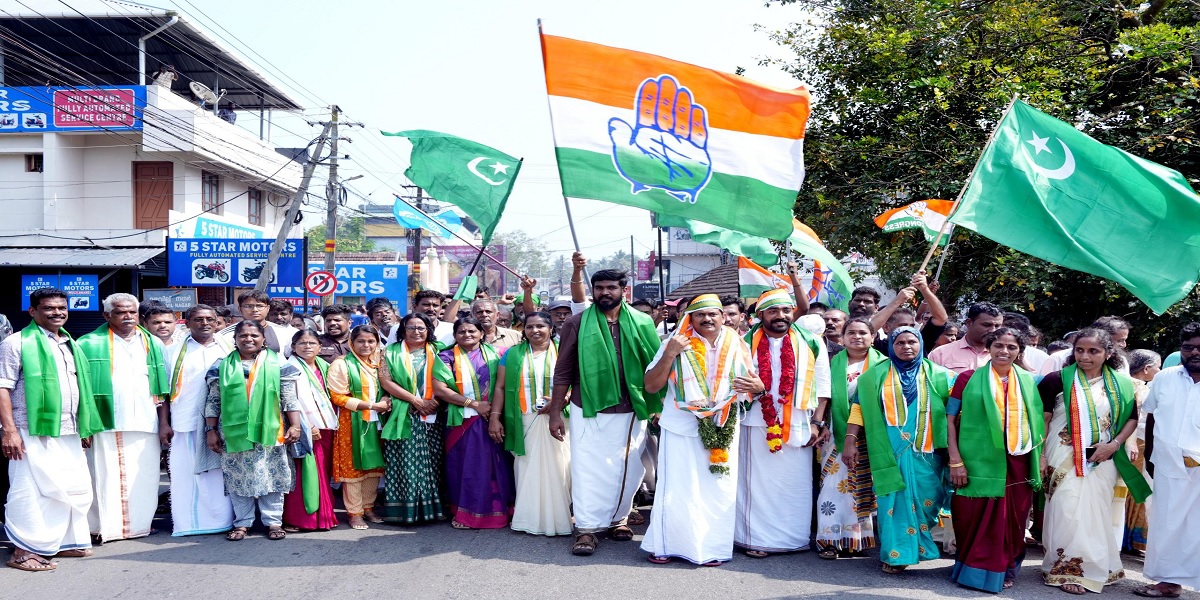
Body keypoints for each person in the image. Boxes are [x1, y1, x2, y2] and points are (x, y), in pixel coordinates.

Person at [547, 269, 664, 556]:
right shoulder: (577, 322)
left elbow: (656, 363)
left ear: (624, 290)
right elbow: (563, 369)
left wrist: (658, 405)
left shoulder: (642, 321)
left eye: (611, 287)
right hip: (587, 406)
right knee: (588, 469)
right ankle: (587, 529)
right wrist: (554, 411)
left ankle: (618, 519)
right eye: (599, 288)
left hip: (632, 406)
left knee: (629, 467)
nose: (604, 293)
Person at [641, 294, 756, 566]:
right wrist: (670, 352)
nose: (707, 319)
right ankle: (667, 545)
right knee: (678, 488)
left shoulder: (736, 342)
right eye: (699, 314)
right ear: (689, 318)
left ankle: (711, 548)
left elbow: (754, 382)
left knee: (718, 489)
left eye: (712, 314)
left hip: (724, 422)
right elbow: (651, 386)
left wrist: (758, 388)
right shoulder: (675, 342)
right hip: (682, 425)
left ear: (722, 316)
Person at [1, 288, 106, 572]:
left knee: (72, 487)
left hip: (69, 429)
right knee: (30, 489)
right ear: (32, 312)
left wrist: (84, 427)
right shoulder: (17, 342)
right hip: (30, 429)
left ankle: (61, 542)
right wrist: (8, 431)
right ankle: (23, 551)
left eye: (61, 307)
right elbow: (3, 386)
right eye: (48, 308)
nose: (57, 312)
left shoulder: (70, 343)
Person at [1037, 327, 1148, 594]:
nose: (1084, 356)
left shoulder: (1122, 385)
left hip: (1103, 457)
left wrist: (1114, 444)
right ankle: (1064, 567)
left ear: (1108, 353)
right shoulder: (1056, 379)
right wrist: (1040, 455)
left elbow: (1131, 418)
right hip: (1061, 454)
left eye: (1093, 351)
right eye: (1079, 350)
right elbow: (1044, 419)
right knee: (1065, 507)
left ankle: (1093, 566)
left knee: (1095, 511)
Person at [843, 327, 955, 574]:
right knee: (891, 499)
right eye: (900, 342)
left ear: (921, 344)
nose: (906, 347)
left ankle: (919, 547)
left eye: (912, 342)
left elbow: (954, 414)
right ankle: (896, 554)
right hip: (888, 449)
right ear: (891, 346)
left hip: (929, 454)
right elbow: (859, 409)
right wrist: (850, 441)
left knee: (928, 501)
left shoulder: (941, 376)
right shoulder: (873, 376)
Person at [946, 327, 1045, 592]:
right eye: (998, 345)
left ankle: (1004, 569)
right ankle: (971, 568)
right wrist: (955, 460)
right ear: (988, 348)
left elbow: (1036, 424)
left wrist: (1041, 459)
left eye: (1011, 347)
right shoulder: (967, 379)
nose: (1004, 351)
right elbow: (950, 420)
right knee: (971, 516)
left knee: (1011, 518)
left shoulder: (1029, 381)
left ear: (1019, 351)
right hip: (975, 460)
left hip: (1018, 462)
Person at [736, 288, 831, 558]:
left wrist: (817, 421)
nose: (781, 316)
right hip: (755, 421)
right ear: (761, 314)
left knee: (793, 482)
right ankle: (755, 539)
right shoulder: (744, 341)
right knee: (755, 483)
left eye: (786, 310)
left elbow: (823, 386)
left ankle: (793, 538)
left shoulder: (811, 342)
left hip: (799, 421)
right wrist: (753, 389)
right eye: (773, 311)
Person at [78, 293, 171, 543]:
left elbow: (162, 390)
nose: (128, 317)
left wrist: (164, 423)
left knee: (145, 476)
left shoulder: (153, 343)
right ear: (106, 315)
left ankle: (139, 526)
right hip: (104, 422)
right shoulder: (87, 343)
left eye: (132, 312)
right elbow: (80, 389)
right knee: (101, 475)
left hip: (145, 421)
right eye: (120, 312)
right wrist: (83, 426)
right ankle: (100, 527)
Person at [203, 320, 304, 541]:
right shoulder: (222, 365)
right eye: (243, 335)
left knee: (273, 474)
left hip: (271, 429)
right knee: (237, 475)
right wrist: (210, 430)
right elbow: (213, 401)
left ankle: (273, 521)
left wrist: (295, 425)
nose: (248, 339)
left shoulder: (278, 363)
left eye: (254, 335)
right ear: (235, 339)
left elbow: (289, 397)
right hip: (232, 431)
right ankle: (242, 522)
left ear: (263, 339)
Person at [489, 311, 572, 537]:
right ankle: (528, 519)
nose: (535, 331)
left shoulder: (564, 350)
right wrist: (495, 417)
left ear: (551, 329)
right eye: (529, 327)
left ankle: (561, 518)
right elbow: (500, 387)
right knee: (527, 468)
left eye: (540, 326)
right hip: (524, 418)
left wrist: (560, 400)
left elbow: (576, 381)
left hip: (559, 418)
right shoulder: (512, 354)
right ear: (523, 330)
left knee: (560, 466)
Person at [1135, 323, 1200, 598]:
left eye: (1199, 347)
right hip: (1169, 462)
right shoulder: (1165, 377)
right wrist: (1151, 454)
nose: (1194, 352)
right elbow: (1151, 416)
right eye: (1188, 347)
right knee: (1167, 521)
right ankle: (1167, 582)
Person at [163, 304, 235, 538]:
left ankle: (224, 519)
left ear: (217, 322)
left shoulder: (229, 347)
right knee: (186, 471)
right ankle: (189, 522)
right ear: (186, 322)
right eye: (198, 319)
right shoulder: (173, 350)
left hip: (224, 420)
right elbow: (162, 391)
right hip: (186, 420)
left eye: (210, 319)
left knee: (220, 472)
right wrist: (164, 423)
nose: (205, 323)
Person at [815, 316, 883, 559]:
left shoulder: (884, 365)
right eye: (851, 332)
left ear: (873, 337)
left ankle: (857, 541)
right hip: (835, 434)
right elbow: (822, 396)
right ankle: (829, 540)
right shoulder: (831, 364)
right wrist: (821, 423)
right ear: (842, 338)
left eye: (863, 333)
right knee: (833, 489)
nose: (857, 336)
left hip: (872, 437)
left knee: (862, 489)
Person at [437, 317, 514, 529]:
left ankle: (501, 510)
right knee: (466, 467)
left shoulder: (499, 354)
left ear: (482, 333)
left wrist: (494, 411)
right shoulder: (446, 357)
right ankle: (467, 512)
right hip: (462, 420)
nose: (467, 335)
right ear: (455, 336)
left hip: (495, 417)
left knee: (497, 465)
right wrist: (474, 404)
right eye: (461, 332)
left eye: (472, 331)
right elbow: (440, 388)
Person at [378, 312, 452, 525]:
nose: (416, 332)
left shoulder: (440, 352)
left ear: (429, 330)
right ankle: (404, 511)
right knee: (403, 462)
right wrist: (415, 401)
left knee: (433, 461)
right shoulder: (389, 352)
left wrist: (435, 402)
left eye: (421, 328)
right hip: (404, 413)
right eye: (411, 327)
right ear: (402, 331)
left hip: (434, 415)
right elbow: (386, 380)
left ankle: (432, 510)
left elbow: (449, 380)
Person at [326, 325, 389, 530]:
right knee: (353, 468)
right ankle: (354, 512)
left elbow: (389, 385)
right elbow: (337, 396)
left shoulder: (379, 363)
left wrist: (385, 400)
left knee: (373, 466)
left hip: (377, 421)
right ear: (352, 343)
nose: (366, 345)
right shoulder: (342, 364)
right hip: (350, 422)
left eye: (371, 341)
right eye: (361, 341)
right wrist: (371, 406)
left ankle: (369, 507)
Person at [281, 329, 339, 532]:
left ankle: (324, 516)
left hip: (327, 426)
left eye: (312, 343)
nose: (307, 347)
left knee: (322, 472)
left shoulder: (325, 367)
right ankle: (300, 519)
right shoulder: (289, 368)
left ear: (320, 347)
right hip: (304, 427)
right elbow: (289, 400)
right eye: (302, 343)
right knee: (305, 472)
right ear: (294, 347)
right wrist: (307, 424)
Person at [1123, 348, 1161, 557]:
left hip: (1130, 442)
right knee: (1137, 490)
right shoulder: (1140, 388)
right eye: (1158, 366)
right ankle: (1131, 540)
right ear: (1146, 368)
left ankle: (1125, 538)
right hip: (1138, 443)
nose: (1159, 370)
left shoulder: (1123, 383)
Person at [929, 302, 1004, 374]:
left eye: (997, 326)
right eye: (986, 325)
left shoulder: (1005, 354)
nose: (993, 330)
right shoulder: (940, 353)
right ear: (969, 323)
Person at [220, 291, 295, 358]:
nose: (255, 310)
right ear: (240, 309)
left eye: (260, 306)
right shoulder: (225, 335)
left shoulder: (283, 332)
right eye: (249, 306)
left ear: (268, 309)